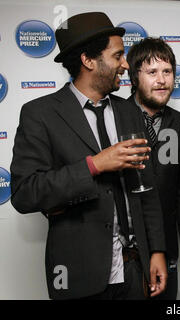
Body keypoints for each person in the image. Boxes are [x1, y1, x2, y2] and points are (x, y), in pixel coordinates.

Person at [10, 12, 167, 300]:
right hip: (79, 273)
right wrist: (94, 165)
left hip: (134, 269)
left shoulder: (129, 110)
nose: (124, 65)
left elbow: (147, 188)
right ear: (88, 61)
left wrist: (156, 251)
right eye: (118, 55)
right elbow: (24, 193)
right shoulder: (40, 114)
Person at [126, 37, 180, 300]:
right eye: (152, 72)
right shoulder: (114, 116)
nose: (162, 80)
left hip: (166, 246)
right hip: (124, 251)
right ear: (134, 78)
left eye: (167, 72)